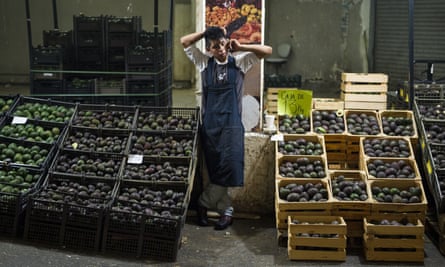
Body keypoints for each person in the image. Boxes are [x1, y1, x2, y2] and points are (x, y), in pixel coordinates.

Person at [180, 26, 272, 230]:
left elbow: (268, 51)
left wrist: (241, 46)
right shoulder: (204, 63)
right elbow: (185, 41)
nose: (220, 49)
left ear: (226, 43)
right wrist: (206, 32)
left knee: (230, 167)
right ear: (209, 49)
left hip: (231, 125)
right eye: (214, 47)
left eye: (222, 44)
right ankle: (225, 211)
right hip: (211, 125)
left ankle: (203, 204)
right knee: (214, 170)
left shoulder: (239, 61)